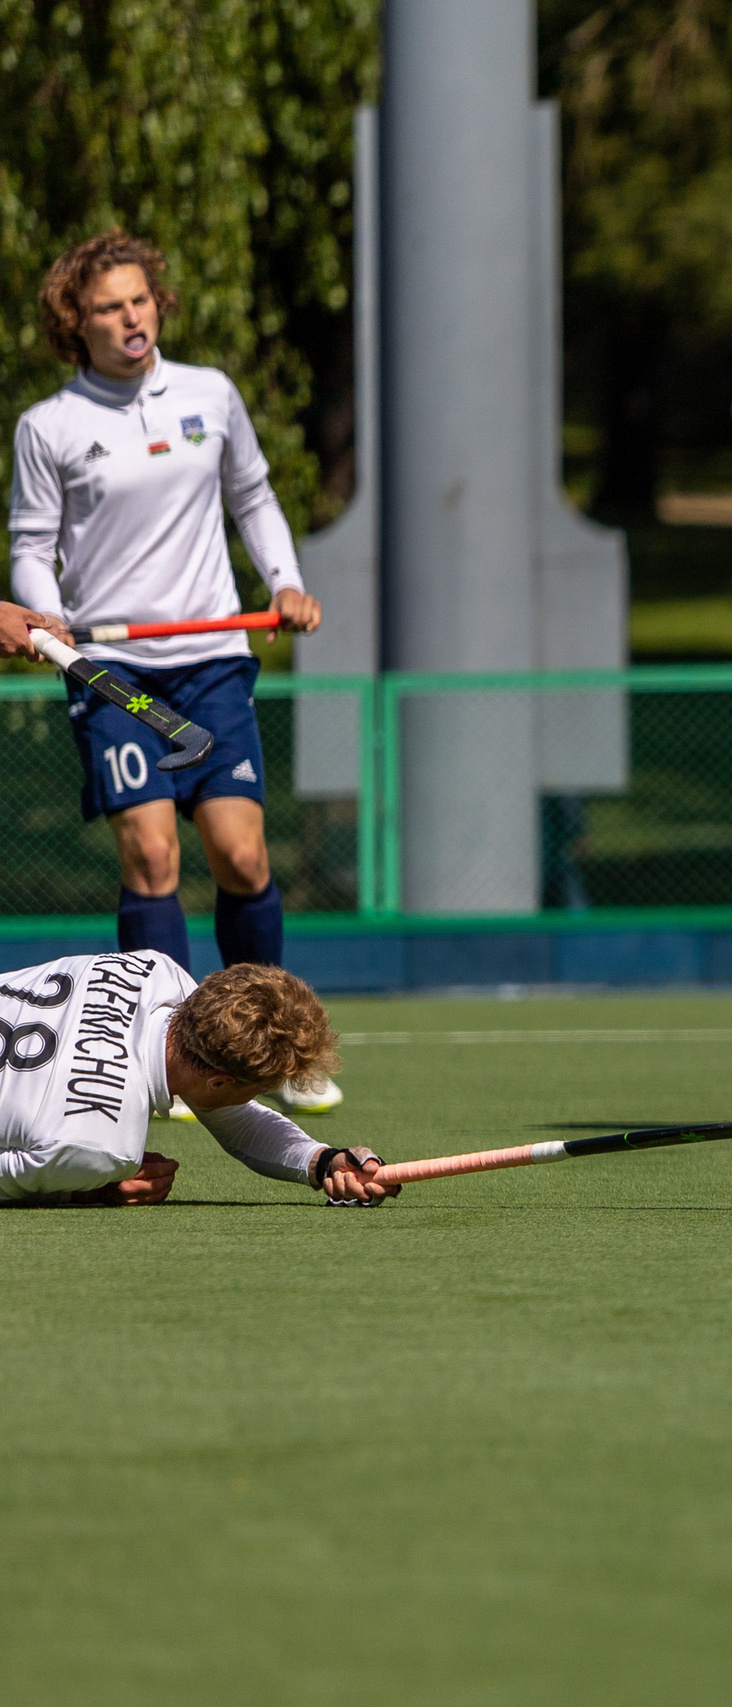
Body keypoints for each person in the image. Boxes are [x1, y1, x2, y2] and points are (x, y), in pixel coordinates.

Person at [8, 230, 340, 1118]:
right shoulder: (49, 426)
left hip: (212, 663)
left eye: (139, 300)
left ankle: (278, 1048)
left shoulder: (210, 394)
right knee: (153, 854)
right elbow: (32, 549)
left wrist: (285, 582)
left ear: (157, 303)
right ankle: (170, 1056)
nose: (130, 318)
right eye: (108, 307)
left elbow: (253, 496)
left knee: (242, 853)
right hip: (112, 669)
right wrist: (49, 621)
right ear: (75, 323)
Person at [0, 953, 395, 1207]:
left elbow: (239, 1122)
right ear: (219, 1083)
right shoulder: (101, 1147)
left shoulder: (155, 971)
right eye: (258, 1090)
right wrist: (83, 1187)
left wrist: (324, 1161)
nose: (253, 1100)